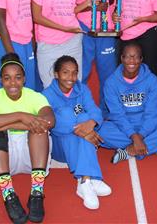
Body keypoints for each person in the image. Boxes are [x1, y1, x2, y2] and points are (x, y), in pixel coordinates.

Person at [0, 53, 54, 224]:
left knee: (39, 130)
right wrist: (22, 116)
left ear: (24, 79)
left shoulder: (35, 96)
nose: (13, 83)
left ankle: (37, 192)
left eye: (18, 77)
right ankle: (8, 194)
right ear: (1, 80)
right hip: (3, 157)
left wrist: (5, 123)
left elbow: (49, 121)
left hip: (32, 155)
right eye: (7, 78)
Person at [42, 56, 112, 210]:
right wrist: (82, 130)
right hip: (60, 148)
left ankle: (85, 181)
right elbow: (52, 124)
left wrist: (90, 124)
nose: (71, 78)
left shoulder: (82, 89)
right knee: (67, 115)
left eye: (74, 73)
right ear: (56, 74)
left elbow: (95, 111)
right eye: (65, 73)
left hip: (79, 141)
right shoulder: (47, 95)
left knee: (86, 117)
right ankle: (90, 177)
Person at [100, 42, 157, 163]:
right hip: (123, 125)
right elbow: (117, 115)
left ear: (141, 59)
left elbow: (153, 113)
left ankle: (129, 150)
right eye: (128, 56)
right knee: (99, 129)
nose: (131, 60)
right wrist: (134, 136)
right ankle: (152, 146)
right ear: (122, 58)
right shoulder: (111, 83)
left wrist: (141, 135)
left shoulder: (152, 80)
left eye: (136, 56)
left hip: (147, 123)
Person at [70, 0, 117, 110]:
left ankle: (107, 112)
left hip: (106, 30)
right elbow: (71, 6)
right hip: (84, 29)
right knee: (81, 72)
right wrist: (89, 6)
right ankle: (79, 109)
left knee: (108, 75)